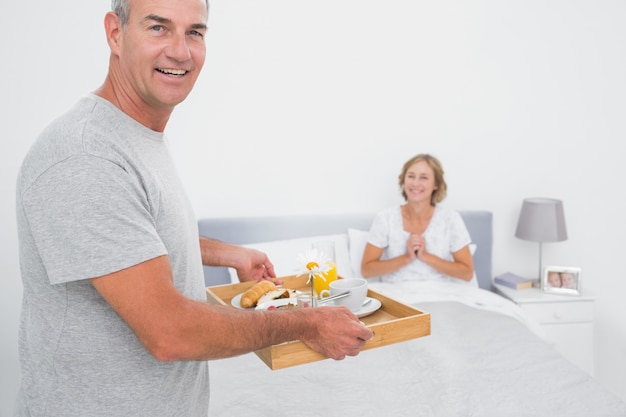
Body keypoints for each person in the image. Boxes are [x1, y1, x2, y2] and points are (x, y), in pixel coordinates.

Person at [14, 0, 372, 416]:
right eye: (158, 28)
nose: (181, 51)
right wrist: (307, 322)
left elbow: (134, 236)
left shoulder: (135, 136)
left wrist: (228, 254)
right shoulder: (85, 156)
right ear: (115, 33)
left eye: (195, 32)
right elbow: (170, 333)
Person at [360, 153, 475, 284]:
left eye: (424, 178)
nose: (415, 183)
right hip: (396, 297)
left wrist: (425, 256)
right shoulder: (385, 218)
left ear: (436, 184)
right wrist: (407, 258)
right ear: (403, 180)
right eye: (411, 176)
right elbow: (366, 270)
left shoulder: (450, 219)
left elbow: (467, 273)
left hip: (439, 295)